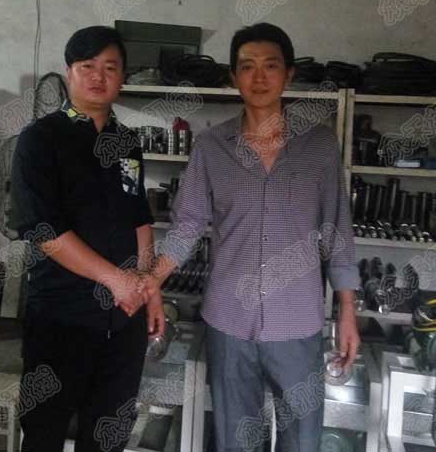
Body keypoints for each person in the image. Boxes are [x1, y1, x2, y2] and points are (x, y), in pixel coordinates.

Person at [144, 23, 360, 452]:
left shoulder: (319, 147)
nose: (259, 77)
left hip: (297, 322)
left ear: (289, 75)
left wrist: (347, 312)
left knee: (302, 441)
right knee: (236, 441)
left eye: (270, 66)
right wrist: (151, 281)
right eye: (247, 67)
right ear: (233, 77)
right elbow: (187, 225)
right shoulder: (211, 147)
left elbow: (337, 231)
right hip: (230, 321)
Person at [12, 26, 164, 452]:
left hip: (123, 320)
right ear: (69, 73)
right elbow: (44, 230)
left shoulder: (126, 144)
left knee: (108, 434)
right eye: (87, 66)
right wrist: (115, 279)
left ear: (122, 78)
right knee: (44, 433)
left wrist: (149, 288)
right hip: (62, 318)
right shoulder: (41, 139)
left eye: (110, 68)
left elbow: (139, 218)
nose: (99, 76)